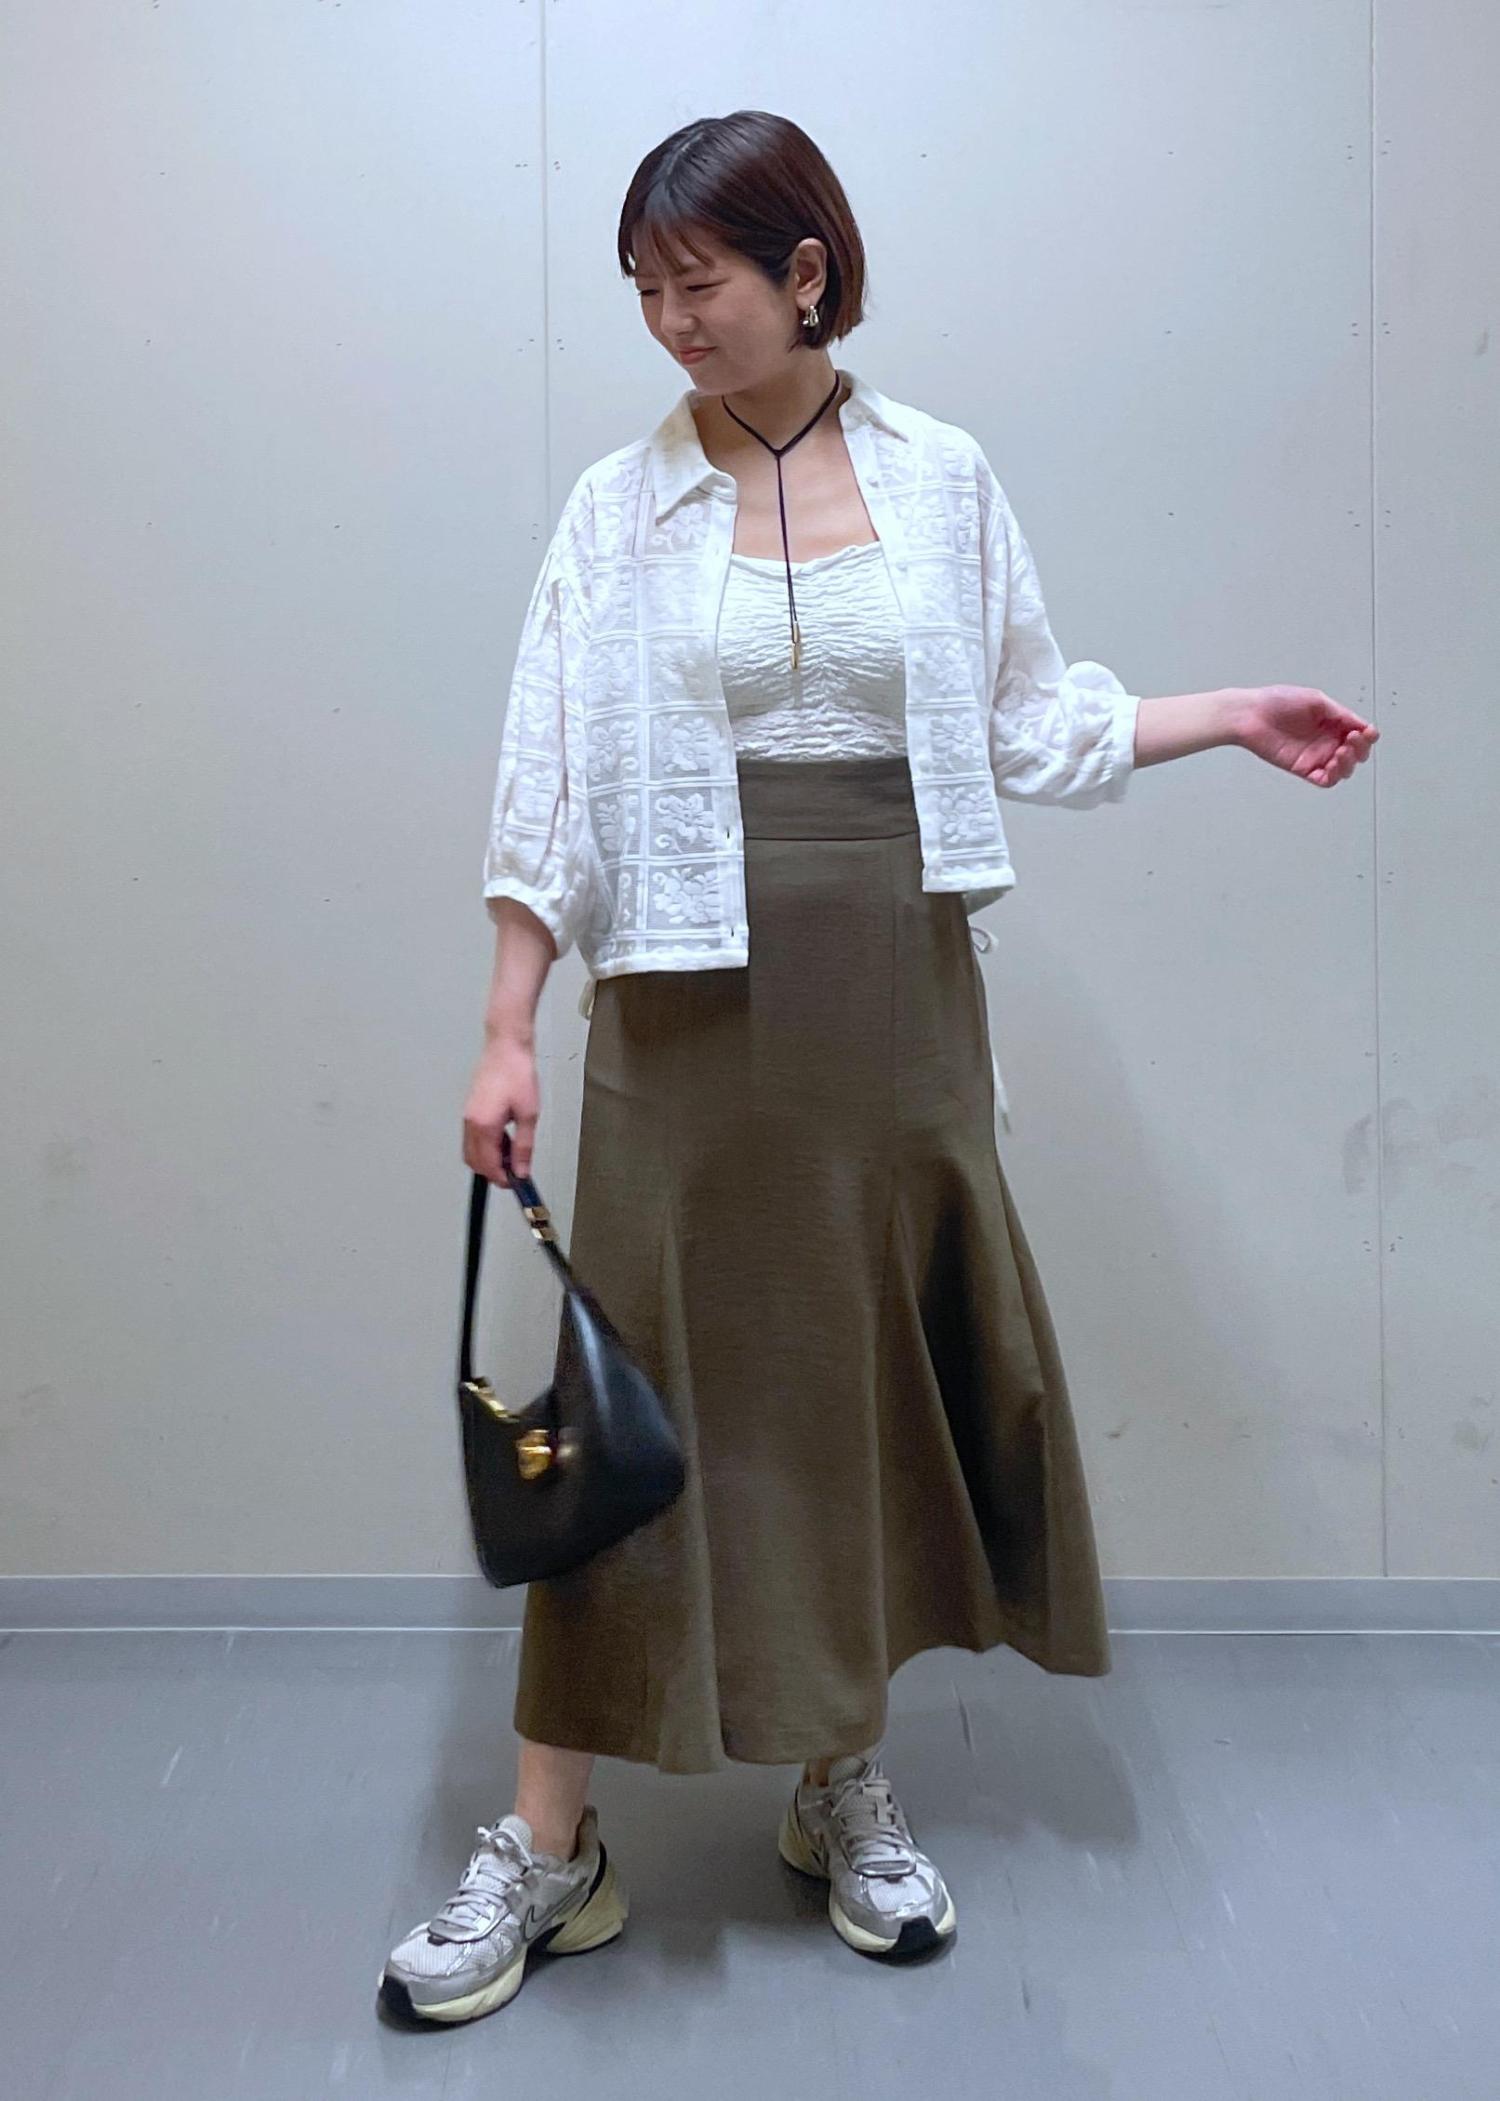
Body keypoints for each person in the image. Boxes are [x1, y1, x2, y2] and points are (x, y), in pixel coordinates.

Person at [379, 110, 1378, 2026]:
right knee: (632, 1396)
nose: (673, 322)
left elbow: (1034, 719)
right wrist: (507, 1025)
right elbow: (548, 777)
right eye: (645, 290)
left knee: (851, 1390)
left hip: (894, 996)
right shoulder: (617, 508)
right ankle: (549, 1840)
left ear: (808, 273)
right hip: (681, 991)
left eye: (702, 283)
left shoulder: (942, 478)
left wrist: (1229, 713)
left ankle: (841, 1781)